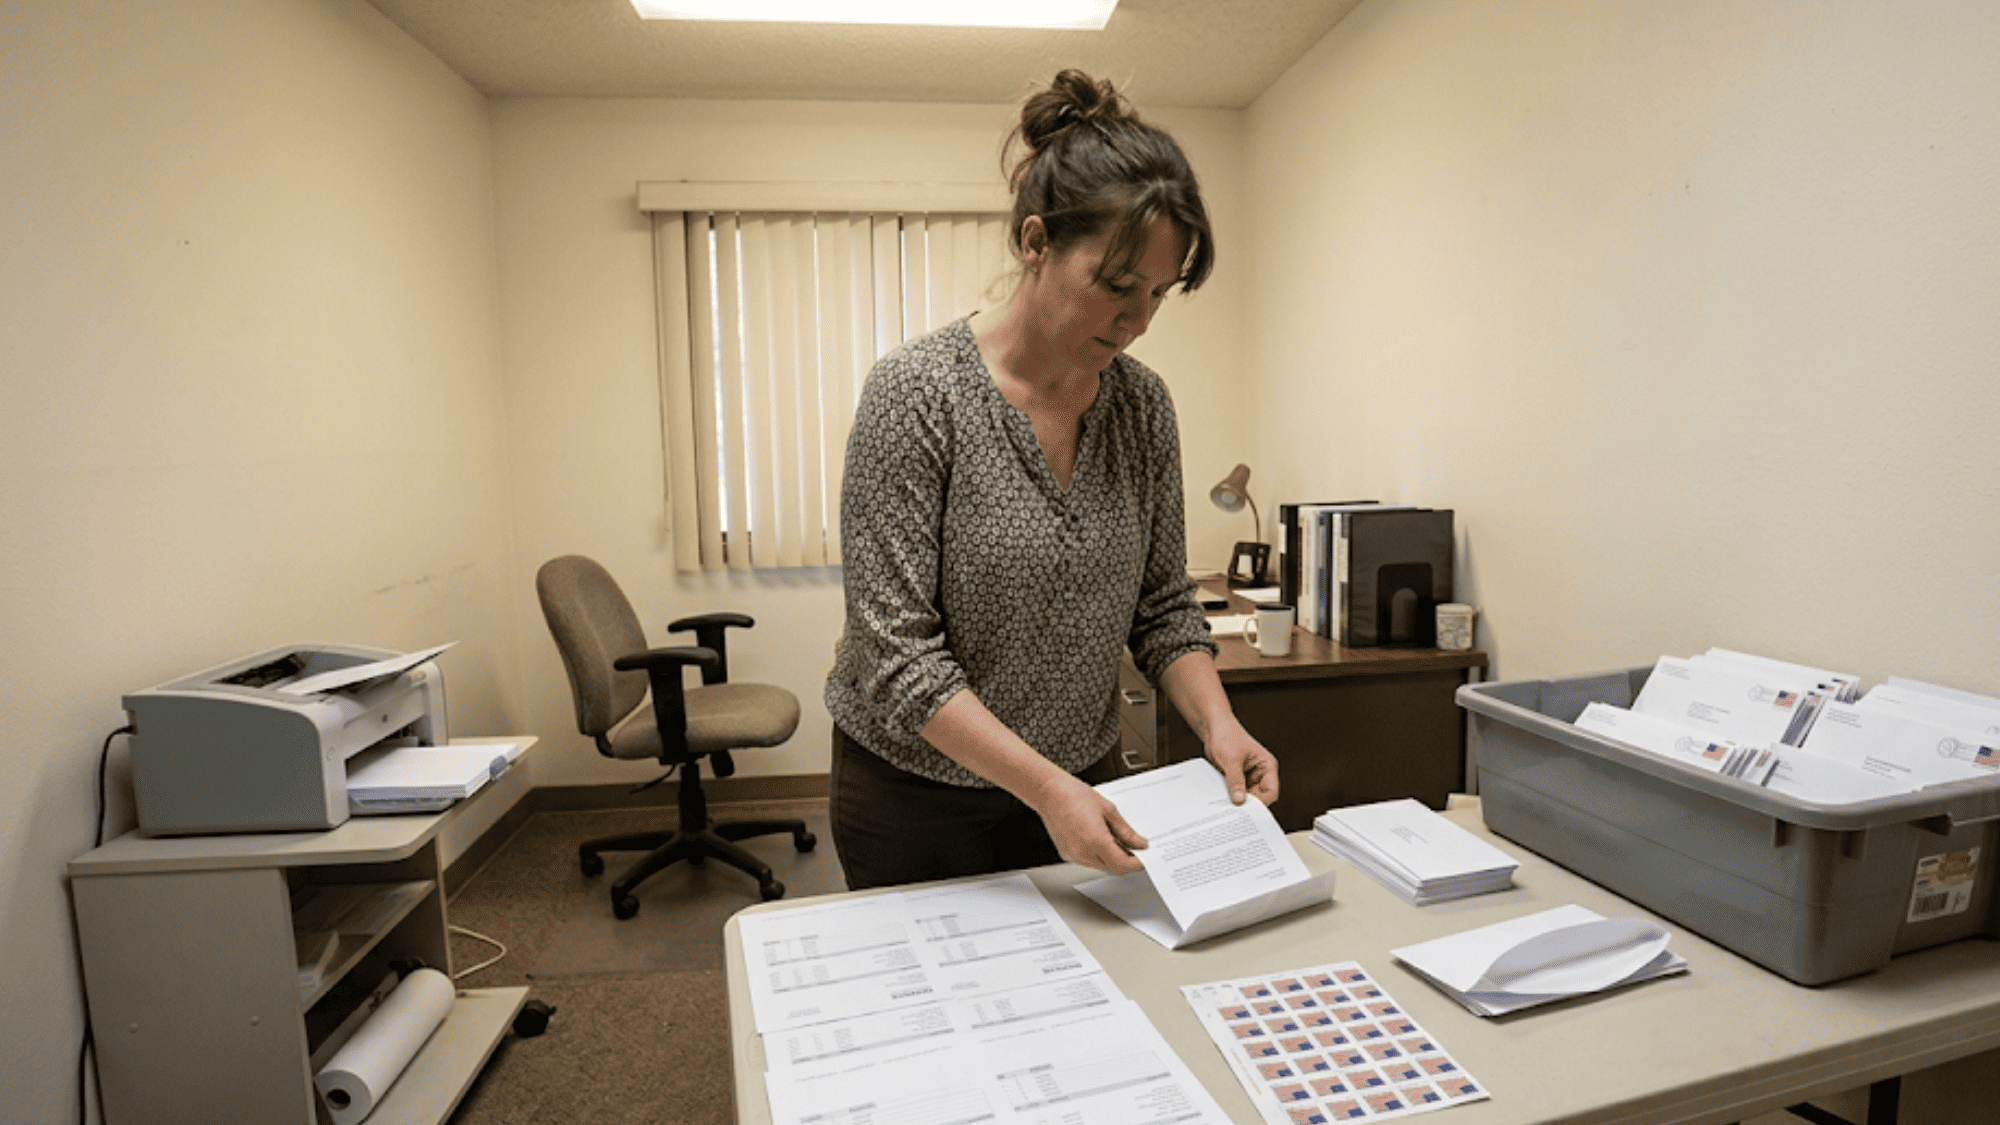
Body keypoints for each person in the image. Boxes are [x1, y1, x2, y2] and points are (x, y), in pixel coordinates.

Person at [823, 69, 1279, 891]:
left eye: (1157, 294)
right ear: (1035, 243)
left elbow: (1163, 605)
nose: (1137, 320)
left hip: (1082, 779)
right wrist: (1043, 788)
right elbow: (896, 656)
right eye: (1115, 285)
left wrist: (1221, 726)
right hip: (918, 797)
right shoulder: (919, 396)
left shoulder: (1140, 406)